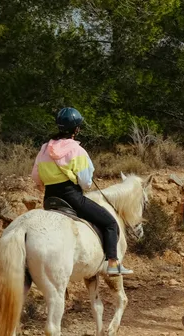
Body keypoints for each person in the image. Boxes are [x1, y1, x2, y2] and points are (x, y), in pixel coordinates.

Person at [31, 107, 132, 276]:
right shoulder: (77, 151)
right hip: (72, 198)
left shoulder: (43, 149)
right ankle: (113, 263)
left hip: (49, 199)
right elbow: (86, 183)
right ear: (76, 129)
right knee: (110, 223)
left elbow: (36, 177)